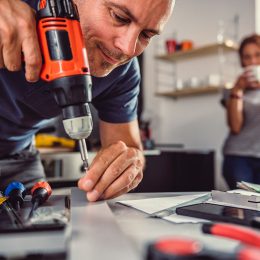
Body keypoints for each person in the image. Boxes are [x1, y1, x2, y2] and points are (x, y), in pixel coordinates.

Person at [0, 0, 175, 201]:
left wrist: (129, 163)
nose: (127, 48)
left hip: (18, 158)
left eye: (146, 35)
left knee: (43, 225)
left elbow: (127, 146)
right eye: (119, 17)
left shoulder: (122, 72)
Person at [222, 34, 260, 189]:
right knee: (242, 210)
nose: (252, 62)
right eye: (247, 57)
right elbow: (235, 127)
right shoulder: (231, 91)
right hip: (239, 158)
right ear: (242, 61)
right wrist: (238, 89)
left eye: (258, 55)